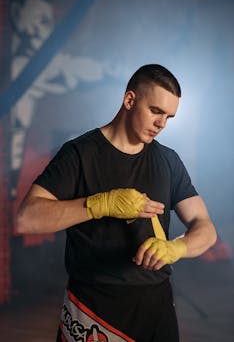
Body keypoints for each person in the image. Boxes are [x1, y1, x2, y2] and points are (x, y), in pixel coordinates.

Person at [17, 64, 217, 342]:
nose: (162, 124)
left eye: (169, 117)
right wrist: (100, 204)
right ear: (130, 100)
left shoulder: (168, 160)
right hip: (94, 306)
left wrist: (176, 248)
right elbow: (26, 218)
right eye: (156, 111)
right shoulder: (80, 154)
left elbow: (205, 227)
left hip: (156, 305)